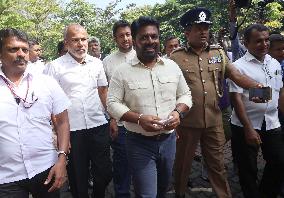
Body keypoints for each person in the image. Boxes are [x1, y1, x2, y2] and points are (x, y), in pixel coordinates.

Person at [171, 8, 262, 198]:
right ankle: (179, 193)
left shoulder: (218, 53)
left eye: (206, 27)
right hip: (187, 123)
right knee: (182, 166)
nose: (204, 31)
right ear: (187, 32)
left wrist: (259, 88)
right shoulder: (176, 58)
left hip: (214, 121)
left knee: (217, 166)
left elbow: (236, 75)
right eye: (199, 28)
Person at [107, 16, 192, 198]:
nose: (150, 41)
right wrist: (139, 119)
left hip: (168, 142)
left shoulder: (172, 67)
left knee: (162, 190)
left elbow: (185, 95)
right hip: (138, 143)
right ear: (135, 41)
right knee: (147, 194)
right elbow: (112, 103)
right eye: (144, 37)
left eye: (154, 36)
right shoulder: (122, 72)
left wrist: (178, 112)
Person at [0, 28, 70, 197]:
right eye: (13, 49)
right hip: (7, 176)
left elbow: (62, 121)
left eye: (24, 49)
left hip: (46, 168)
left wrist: (61, 159)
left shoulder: (46, 82)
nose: (21, 54)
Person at [45, 24, 112, 198]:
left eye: (83, 39)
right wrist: (59, 134)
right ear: (66, 43)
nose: (80, 44)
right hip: (72, 131)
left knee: (103, 173)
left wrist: (112, 119)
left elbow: (103, 91)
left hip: (98, 125)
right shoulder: (54, 67)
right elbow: (49, 102)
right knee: (77, 176)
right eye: (75, 40)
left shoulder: (97, 63)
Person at [229, 24, 284, 198]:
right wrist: (248, 128)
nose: (264, 44)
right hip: (245, 125)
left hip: (272, 122)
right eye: (258, 41)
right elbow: (236, 99)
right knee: (248, 170)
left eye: (267, 39)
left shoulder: (274, 62)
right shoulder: (238, 66)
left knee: (279, 162)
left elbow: (277, 92)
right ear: (246, 43)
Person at [102, 19, 135, 198]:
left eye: (128, 34)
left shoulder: (144, 56)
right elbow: (104, 93)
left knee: (141, 166)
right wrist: (112, 119)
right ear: (115, 39)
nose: (125, 39)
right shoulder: (107, 62)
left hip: (143, 122)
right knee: (122, 165)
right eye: (121, 36)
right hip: (120, 124)